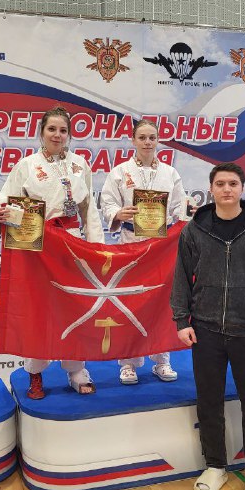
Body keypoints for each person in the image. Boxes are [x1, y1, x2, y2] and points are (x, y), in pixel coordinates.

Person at [171, 162, 245, 490]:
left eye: (233, 183)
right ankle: (215, 466)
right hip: (205, 329)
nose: (226, 189)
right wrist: (182, 320)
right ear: (211, 188)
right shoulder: (194, 230)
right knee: (209, 401)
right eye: (220, 183)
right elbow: (181, 277)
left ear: (241, 188)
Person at [0, 106, 104, 398]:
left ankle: (77, 370)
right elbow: (7, 201)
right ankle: (35, 372)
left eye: (63, 130)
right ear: (41, 132)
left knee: (75, 305)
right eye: (51, 129)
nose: (57, 135)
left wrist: (96, 247)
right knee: (39, 309)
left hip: (72, 242)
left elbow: (89, 208)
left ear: (69, 135)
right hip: (38, 246)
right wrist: (1, 215)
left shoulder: (80, 164)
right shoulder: (27, 165)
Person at [100, 118, 187, 384]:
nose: (148, 142)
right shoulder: (120, 172)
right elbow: (107, 203)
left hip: (162, 247)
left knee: (162, 303)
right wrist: (118, 213)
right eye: (142, 137)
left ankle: (162, 360)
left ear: (158, 140)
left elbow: (179, 208)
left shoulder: (170, 173)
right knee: (130, 303)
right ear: (133, 140)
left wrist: (187, 213)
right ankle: (128, 363)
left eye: (152, 137)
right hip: (131, 243)